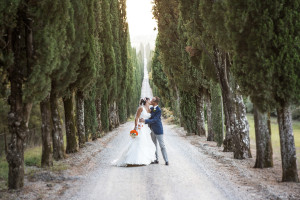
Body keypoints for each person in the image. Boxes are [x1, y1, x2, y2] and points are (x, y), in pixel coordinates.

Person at [113, 97, 156, 167]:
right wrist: (136, 127)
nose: (150, 101)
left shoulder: (150, 109)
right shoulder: (141, 108)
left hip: (146, 128)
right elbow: (136, 118)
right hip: (140, 127)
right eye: (149, 100)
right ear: (146, 101)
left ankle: (144, 158)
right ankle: (133, 159)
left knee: (146, 142)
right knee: (138, 142)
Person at [140, 96, 169, 166]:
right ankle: (156, 159)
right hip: (152, 129)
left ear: (155, 102)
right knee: (154, 145)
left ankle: (166, 160)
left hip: (158, 130)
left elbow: (155, 120)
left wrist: (145, 121)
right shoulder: (151, 108)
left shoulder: (158, 110)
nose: (151, 101)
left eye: (152, 100)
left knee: (162, 145)